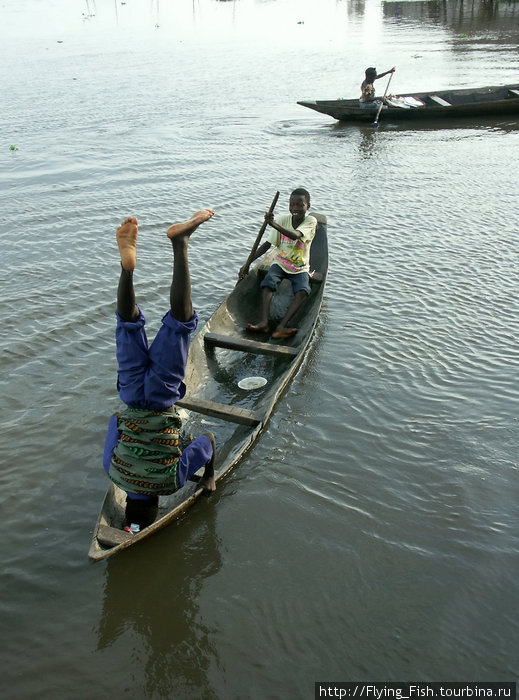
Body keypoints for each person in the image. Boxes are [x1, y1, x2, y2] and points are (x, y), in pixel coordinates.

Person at [102, 211, 217, 531]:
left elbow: (207, 441)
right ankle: (126, 271)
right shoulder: (113, 471)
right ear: (127, 501)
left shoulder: (171, 482)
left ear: (155, 503)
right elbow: (114, 421)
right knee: (127, 325)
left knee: (180, 324)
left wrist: (207, 477)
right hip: (130, 392)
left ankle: (180, 244)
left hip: (162, 395)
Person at [239, 188, 317, 339]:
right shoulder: (282, 220)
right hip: (281, 262)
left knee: (302, 291)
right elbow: (266, 246)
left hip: (299, 267)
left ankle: (282, 326)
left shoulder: (310, 221)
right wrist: (247, 264)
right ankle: (263, 322)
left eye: (300, 205)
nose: (295, 208)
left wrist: (273, 224)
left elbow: (295, 236)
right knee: (268, 283)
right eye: (292, 205)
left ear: (308, 206)